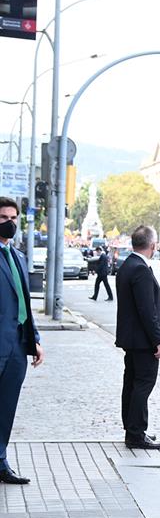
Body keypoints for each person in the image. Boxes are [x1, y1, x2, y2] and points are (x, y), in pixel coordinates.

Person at [0, 198, 43, 484]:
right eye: (4, 217)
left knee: (6, 407)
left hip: (17, 344)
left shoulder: (17, 256)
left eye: (14, 218)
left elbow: (25, 302)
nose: (10, 223)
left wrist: (35, 338)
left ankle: (1, 461)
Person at [115, 226, 160, 451]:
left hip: (131, 340)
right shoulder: (141, 270)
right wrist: (159, 341)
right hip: (143, 341)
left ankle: (133, 429)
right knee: (143, 385)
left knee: (132, 384)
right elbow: (148, 310)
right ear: (152, 246)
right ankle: (136, 433)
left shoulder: (127, 265)